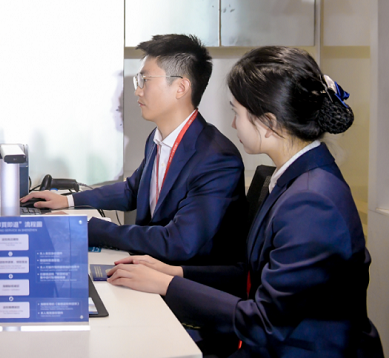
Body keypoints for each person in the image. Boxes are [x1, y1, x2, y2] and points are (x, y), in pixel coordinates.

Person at [107, 46, 383, 357]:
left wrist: (166, 285)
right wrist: (173, 272)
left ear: (268, 122)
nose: (234, 124)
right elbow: (253, 275)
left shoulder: (311, 201)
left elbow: (266, 322)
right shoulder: (293, 178)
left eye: (236, 113)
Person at [22, 34, 247, 265]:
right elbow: (133, 190)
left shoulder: (217, 158)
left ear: (180, 87)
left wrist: (87, 227)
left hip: (184, 279)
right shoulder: (157, 138)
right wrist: (68, 200)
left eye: (145, 80)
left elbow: (179, 243)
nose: (138, 91)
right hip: (149, 265)